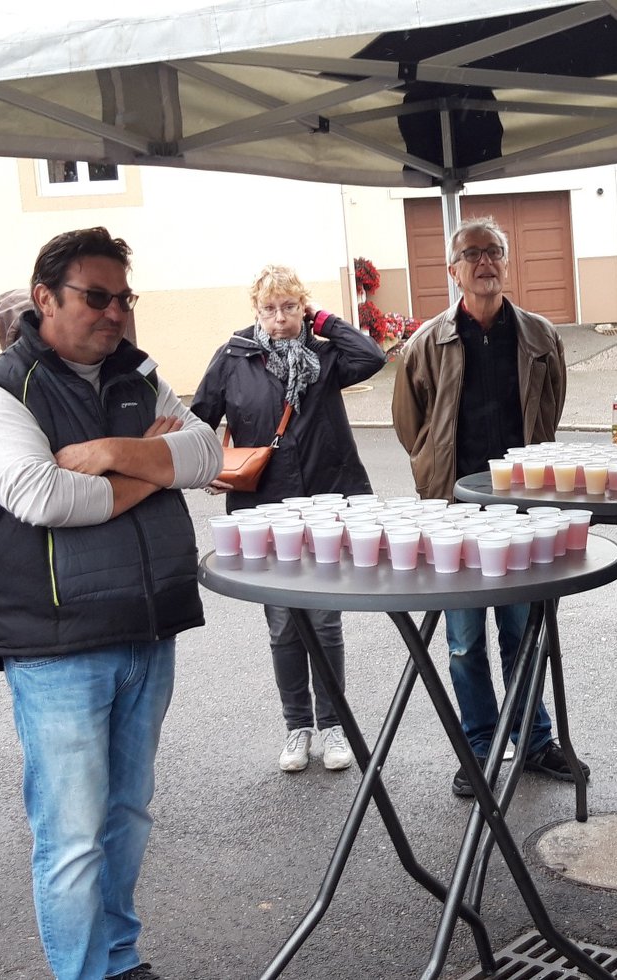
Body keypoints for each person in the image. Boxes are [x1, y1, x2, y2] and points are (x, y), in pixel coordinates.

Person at [0, 227, 219, 980]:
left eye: (123, 297)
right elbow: (44, 498)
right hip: (57, 643)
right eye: (96, 297)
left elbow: (207, 455)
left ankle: (120, 961)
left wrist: (109, 454)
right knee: (71, 837)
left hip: (149, 625)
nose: (114, 313)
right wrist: (154, 467)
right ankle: (84, 972)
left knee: (127, 818)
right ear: (45, 297)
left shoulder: (138, 372)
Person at [391, 216, 581, 797]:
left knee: (523, 631)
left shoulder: (539, 336)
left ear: (506, 260)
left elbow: (550, 410)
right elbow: (409, 426)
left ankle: (535, 739)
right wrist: (434, 469)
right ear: (453, 271)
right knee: (463, 640)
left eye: (493, 251)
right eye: (471, 254)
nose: (484, 262)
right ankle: (479, 747)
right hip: (453, 512)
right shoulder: (427, 343)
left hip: (519, 508)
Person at [192, 264, 387, 774]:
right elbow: (198, 420)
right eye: (270, 309)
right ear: (256, 311)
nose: (279, 319)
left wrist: (325, 319)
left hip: (326, 505)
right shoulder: (233, 358)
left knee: (325, 622)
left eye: (290, 307)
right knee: (282, 625)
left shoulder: (326, 355)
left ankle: (334, 724)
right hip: (265, 512)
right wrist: (207, 467)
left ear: (303, 307)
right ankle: (297, 727)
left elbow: (372, 356)